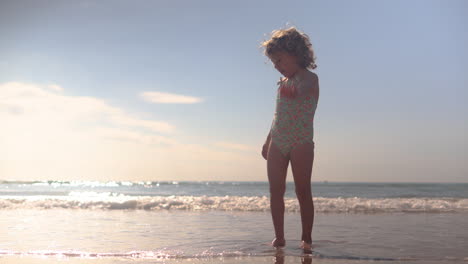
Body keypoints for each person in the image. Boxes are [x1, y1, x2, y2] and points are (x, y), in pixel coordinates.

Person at [261, 27, 319, 250]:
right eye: (274, 63)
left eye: (279, 60)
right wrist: (268, 140)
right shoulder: (281, 85)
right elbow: (278, 115)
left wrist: (291, 91)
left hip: (301, 140)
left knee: (302, 190)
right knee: (276, 190)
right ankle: (280, 236)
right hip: (279, 139)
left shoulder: (310, 78)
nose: (277, 66)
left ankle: (306, 236)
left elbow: (302, 91)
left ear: (295, 54)